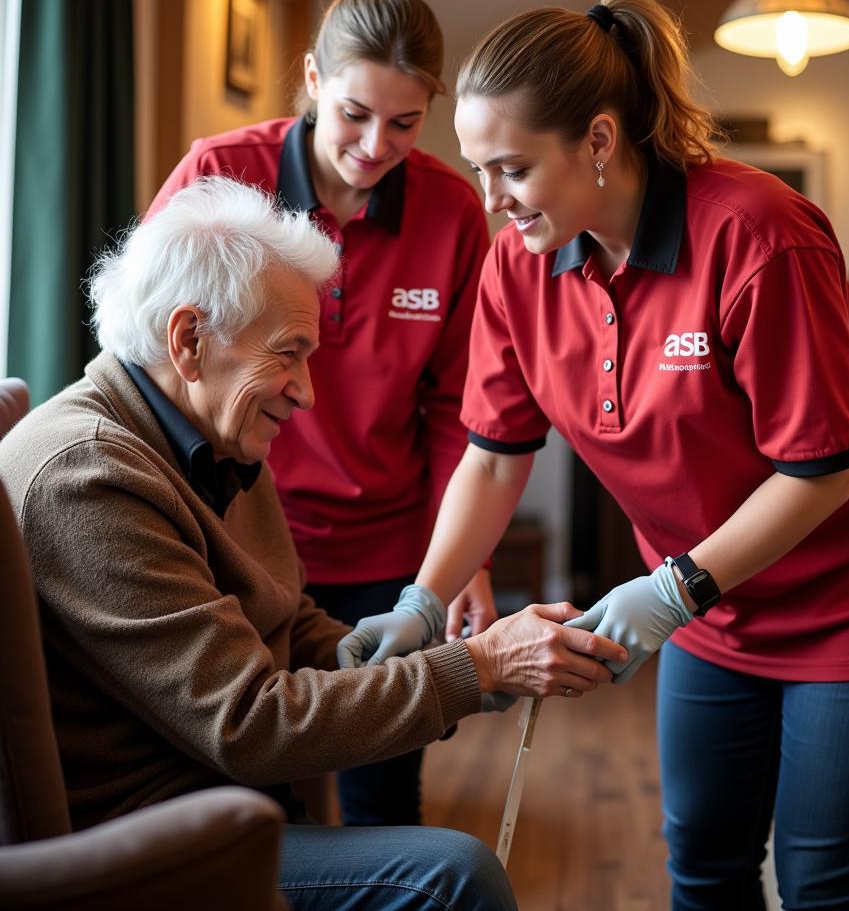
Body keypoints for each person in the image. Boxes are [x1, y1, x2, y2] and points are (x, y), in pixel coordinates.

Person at [338, 0, 849, 910]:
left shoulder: (758, 233)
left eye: (513, 168)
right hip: (714, 615)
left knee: (825, 884)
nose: (492, 200)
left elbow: (821, 473)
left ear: (599, 141)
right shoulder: (520, 263)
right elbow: (490, 455)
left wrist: (666, 591)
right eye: (479, 169)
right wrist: (423, 597)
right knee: (705, 868)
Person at [0, 176, 627, 911]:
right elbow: (248, 724)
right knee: (454, 877)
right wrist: (477, 667)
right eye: (288, 354)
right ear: (188, 339)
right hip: (151, 838)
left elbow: (288, 624)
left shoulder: (212, 436)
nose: (307, 392)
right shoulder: (87, 475)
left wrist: (423, 658)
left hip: (223, 798)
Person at [149, 0, 495, 828]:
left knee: (385, 799)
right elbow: (149, 348)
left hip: (388, 555)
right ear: (310, 79)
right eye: (354, 115)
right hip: (236, 540)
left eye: (407, 124)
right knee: (249, 802)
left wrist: (461, 564)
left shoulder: (453, 213)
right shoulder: (220, 173)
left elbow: (462, 411)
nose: (377, 147)